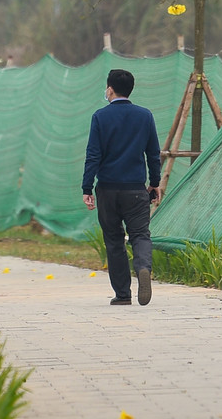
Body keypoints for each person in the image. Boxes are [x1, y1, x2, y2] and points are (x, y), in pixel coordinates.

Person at [82, 67, 162, 305]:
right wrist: (154, 183)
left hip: (107, 189)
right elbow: (153, 154)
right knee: (140, 234)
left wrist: (87, 187)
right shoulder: (145, 115)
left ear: (110, 89)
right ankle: (143, 268)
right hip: (136, 189)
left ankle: (123, 295)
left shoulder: (100, 117)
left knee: (114, 240)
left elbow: (93, 155)